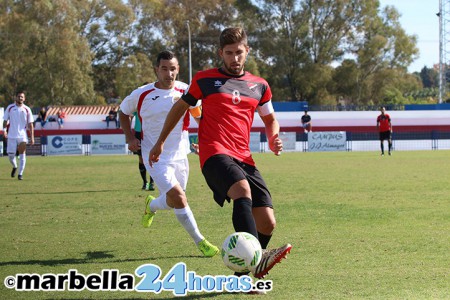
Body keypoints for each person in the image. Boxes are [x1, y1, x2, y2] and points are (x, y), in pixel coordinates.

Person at [149, 27, 292, 280]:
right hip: (214, 153)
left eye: (239, 52)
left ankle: (241, 275)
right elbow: (180, 108)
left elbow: (270, 119)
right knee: (242, 191)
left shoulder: (260, 85)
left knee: (267, 222)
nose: (234, 58)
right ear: (220, 53)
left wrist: (273, 138)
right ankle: (253, 267)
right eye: (229, 53)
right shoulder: (204, 79)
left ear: (247, 51)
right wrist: (160, 141)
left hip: (244, 157)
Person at [119, 50, 218, 257]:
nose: (168, 73)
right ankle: (200, 242)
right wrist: (130, 138)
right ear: (157, 70)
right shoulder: (142, 94)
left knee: (174, 200)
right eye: (164, 69)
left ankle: (152, 205)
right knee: (179, 199)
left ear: (178, 69)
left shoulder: (186, 91)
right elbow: (123, 112)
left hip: (181, 155)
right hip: (154, 155)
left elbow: (198, 115)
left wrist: (204, 138)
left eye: (172, 69)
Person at [3, 91, 35, 180]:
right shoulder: (10, 107)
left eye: (22, 97)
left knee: (22, 154)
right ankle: (14, 166)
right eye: (18, 96)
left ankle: (20, 174)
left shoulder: (27, 109)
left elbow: (30, 124)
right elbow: (5, 121)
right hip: (11, 135)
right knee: (10, 155)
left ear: (24, 99)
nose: (20, 98)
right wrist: (4, 130)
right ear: (16, 98)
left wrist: (32, 137)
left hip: (22, 135)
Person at [132, 111, 155, 191]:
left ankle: (152, 183)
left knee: (152, 158)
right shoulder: (136, 102)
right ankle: (145, 182)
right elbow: (129, 115)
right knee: (141, 159)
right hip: (138, 133)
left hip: (150, 132)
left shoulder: (153, 102)